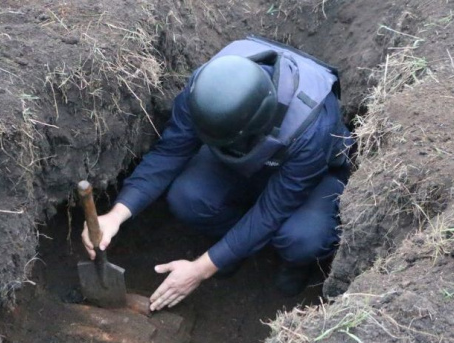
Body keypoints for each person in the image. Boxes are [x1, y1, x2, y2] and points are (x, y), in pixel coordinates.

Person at [82, 36, 352, 312]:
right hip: (240, 158)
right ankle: (231, 247)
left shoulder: (311, 128)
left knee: (302, 239)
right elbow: (170, 153)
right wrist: (116, 215)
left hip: (307, 179)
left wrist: (201, 268)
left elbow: (272, 211)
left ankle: (294, 264)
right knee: (189, 198)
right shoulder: (205, 91)